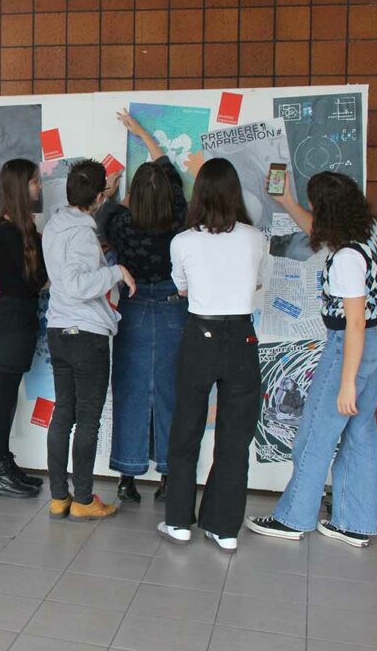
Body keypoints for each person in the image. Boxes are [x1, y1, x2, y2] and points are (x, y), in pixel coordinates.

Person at [246, 172, 377, 548]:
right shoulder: (367, 229)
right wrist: (288, 202)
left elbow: (354, 321)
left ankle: (293, 517)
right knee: (359, 434)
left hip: (351, 346)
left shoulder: (346, 259)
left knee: (315, 434)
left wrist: (346, 382)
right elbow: (320, 232)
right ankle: (354, 522)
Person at [158, 158, 268, 553]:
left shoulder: (183, 241)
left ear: (198, 193)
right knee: (235, 438)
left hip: (199, 334)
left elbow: (182, 288)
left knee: (186, 429)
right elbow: (257, 283)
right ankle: (224, 529)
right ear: (235, 192)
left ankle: (178, 522)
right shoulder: (256, 238)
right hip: (242, 336)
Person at [101, 110, 189, 504]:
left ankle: (126, 475)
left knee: (131, 390)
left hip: (133, 309)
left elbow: (105, 216)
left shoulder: (119, 221)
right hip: (174, 307)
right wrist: (143, 133)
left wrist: (112, 195)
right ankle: (169, 474)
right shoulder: (181, 220)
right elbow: (166, 167)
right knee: (172, 391)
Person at [42, 160, 136, 521]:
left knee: (62, 414)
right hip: (86, 335)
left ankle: (59, 498)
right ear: (98, 197)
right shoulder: (82, 233)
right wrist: (117, 271)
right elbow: (78, 285)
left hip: (59, 331)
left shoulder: (55, 225)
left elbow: (63, 280)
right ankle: (83, 499)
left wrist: (102, 193)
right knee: (88, 420)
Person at [0, 159, 47, 498]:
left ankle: (4, 464)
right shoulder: (7, 231)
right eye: (36, 182)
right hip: (12, 320)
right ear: (21, 187)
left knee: (8, 397)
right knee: (5, 398)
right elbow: (31, 282)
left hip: (18, 318)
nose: (39, 187)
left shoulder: (19, 229)